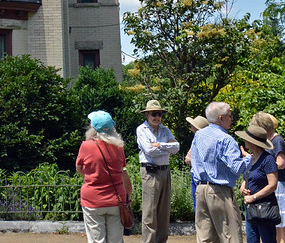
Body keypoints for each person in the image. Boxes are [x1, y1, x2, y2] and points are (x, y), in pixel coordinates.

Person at [192, 101, 250, 243]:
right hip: (220, 191)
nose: (232, 119)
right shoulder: (226, 139)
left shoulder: (199, 135)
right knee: (230, 236)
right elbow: (237, 167)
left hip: (200, 190)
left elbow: (193, 161)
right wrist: (250, 158)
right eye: (229, 116)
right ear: (221, 118)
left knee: (205, 238)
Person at [77, 110, 133, 243]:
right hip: (116, 200)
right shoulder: (119, 147)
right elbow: (123, 171)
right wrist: (129, 195)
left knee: (97, 240)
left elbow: (79, 169)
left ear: (93, 128)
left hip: (93, 200)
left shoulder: (86, 146)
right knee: (116, 240)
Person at [251, 112, 285, 243]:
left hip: (280, 183)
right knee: (276, 220)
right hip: (274, 181)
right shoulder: (268, 141)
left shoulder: (277, 140)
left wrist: (264, 167)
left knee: (283, 220)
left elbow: (281, 163)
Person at [136, 100, 180, 243]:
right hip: (150, 172)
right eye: (154, 114)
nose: (157, 117)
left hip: (165, 171)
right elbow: (149, 150)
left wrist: (159, 145)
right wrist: (167, 147)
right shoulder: (141, 129)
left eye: (159, 114)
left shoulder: (165, 130)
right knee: (150, 212)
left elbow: (176, 147)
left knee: (164, 211)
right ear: (147, 115)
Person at [239, 121, 281, 243]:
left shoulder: (268, 159)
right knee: (251, 240)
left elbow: (273, 185)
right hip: (251, 208)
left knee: (268, 239)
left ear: (254, 142)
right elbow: (248, 177)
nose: (244, 140)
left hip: (265, 208)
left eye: (247, 138)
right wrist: (243, 187)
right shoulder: (250, 159)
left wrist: (254, 197)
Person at [187, 115, 211, 206]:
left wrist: (193, 160)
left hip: (202, 178)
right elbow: (188, 158)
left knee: (201, 205)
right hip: (195, 174)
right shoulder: (195, 139)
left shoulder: (205, 142)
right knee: (197, 204)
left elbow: (189, 159)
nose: (191, 126)